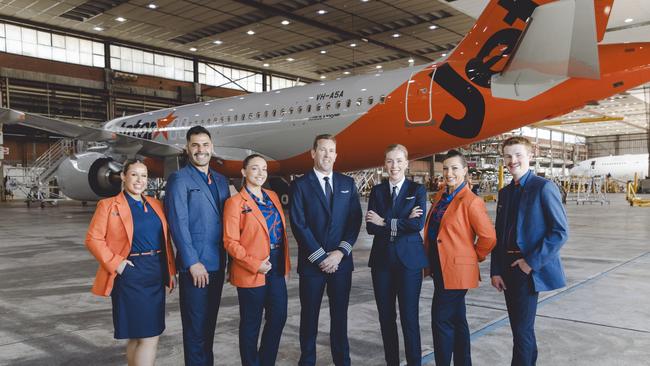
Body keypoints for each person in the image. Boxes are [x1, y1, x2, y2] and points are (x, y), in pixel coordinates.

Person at [85, 159, 176, 366]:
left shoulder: (155, 204)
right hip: (130, 274)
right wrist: (117, 264)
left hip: (155, 272)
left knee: (139, 336)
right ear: (123, 177)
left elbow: (165, 239)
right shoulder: (108, 205)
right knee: (148, 336)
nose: (139, 180)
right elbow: (93, 239)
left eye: (143, 176)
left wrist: (171, 270)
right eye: (134, 174)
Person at [490, 136, 569, 366]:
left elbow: (559, 232)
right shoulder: (505, 193)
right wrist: (496, 270)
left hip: (527, 269)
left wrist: (529, 263)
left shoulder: (543, 187)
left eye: (518, 155)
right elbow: (499, 235)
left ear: (530, 156)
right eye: (507, 156)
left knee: (522, 331)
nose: (512, 160)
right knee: (520, 329)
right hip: (507, 268)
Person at [289, 134, 362, 366]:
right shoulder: (300, 185)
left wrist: (340, 253)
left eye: (331, 150)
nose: (327, 155)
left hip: (341, 264)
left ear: (336, 155)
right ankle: (307, 361)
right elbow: (298, 224)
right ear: (313, 153)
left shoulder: (347, 184)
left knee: (339, 317)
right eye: (322, 150)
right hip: (313, 265)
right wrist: (321, 257)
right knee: (309, 318)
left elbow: (354, 221)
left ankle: (342, 361)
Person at [423, 150, 496, 366]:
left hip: (456, 270)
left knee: (441, 320)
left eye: (455, 168)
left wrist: (473, 257)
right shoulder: (442, 196)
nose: (449, 173)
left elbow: (488, 237)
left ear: (465, 171)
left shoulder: (471, 201)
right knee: (457, 319)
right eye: (445, 168)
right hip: (440, 267)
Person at [165, 126, 230, 366]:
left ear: (211, 148)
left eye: (204, 145)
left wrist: (232, 261)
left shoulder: (222, 181)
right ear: (187, 149)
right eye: (195, 145)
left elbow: (229, 224)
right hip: (196, 266)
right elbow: (177, 223)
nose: (200, 150)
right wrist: (192, 261)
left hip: (217, 263)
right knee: (194, 330)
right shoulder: (179, 179)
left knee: (209, 327)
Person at [223, 154, 291, 366]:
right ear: (243, 172)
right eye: (255, 168)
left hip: (277, 266)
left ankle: (265, 361)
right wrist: (255, 264)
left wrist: (284, 266)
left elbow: (280, 231)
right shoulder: (234, 203)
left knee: (278, 318)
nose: (260, 173)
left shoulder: (272, 196)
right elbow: (230, 241)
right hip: (251, 269)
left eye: (264, 169)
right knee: (251, 324)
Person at [366, 144, 427, 366]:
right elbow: (370, 228)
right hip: (382, 262)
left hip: (409, 262)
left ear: (406, 163)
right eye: (390, 161)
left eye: (399, 161)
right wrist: (402, 221)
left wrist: (385, 221)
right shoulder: (377, 191)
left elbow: (417, 224)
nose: (394, 166)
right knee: (386, 318)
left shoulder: (416, 190)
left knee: (409, 318)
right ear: (385, 164)